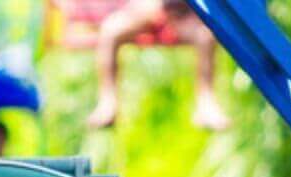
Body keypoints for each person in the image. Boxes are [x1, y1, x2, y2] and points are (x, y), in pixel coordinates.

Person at [86, 0, 229, 131]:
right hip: (147, 10)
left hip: (183, 15)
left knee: (205, 36)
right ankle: (108, 102)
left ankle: (206, 103)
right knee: (111, 30)